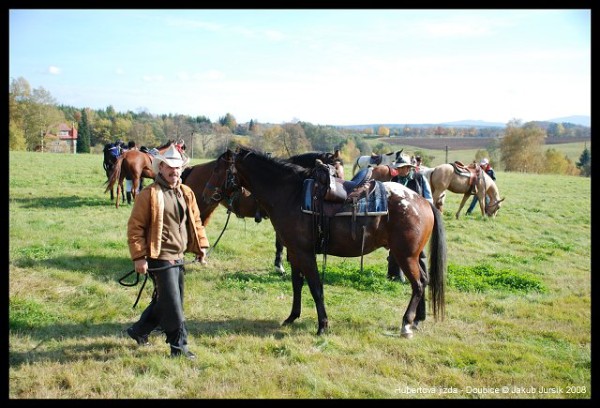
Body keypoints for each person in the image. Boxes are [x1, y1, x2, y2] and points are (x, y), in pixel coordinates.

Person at [125, 144, 210, 359]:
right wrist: (139, 257)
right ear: (160, 168)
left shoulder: (186, 192)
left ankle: (139, 330)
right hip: (159, 258)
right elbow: (135, 228)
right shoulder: (149, 194)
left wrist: (201, 247)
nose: (174, 172)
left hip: (179, 256)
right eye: (170, 167)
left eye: (178, 168)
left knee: (167, 301)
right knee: (173, 305)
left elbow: (196, 221)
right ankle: (179, 348)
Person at [387, 157, 434, 282]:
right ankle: (394, 275)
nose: (399, 170)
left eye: (402, 168)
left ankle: (423, 277)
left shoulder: (419, 178)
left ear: (408, 168)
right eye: (398, 168)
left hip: (417, 220)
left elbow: (428, 199)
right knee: (394, 248)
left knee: (419, 250)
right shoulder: (394, 180)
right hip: (397, 220)